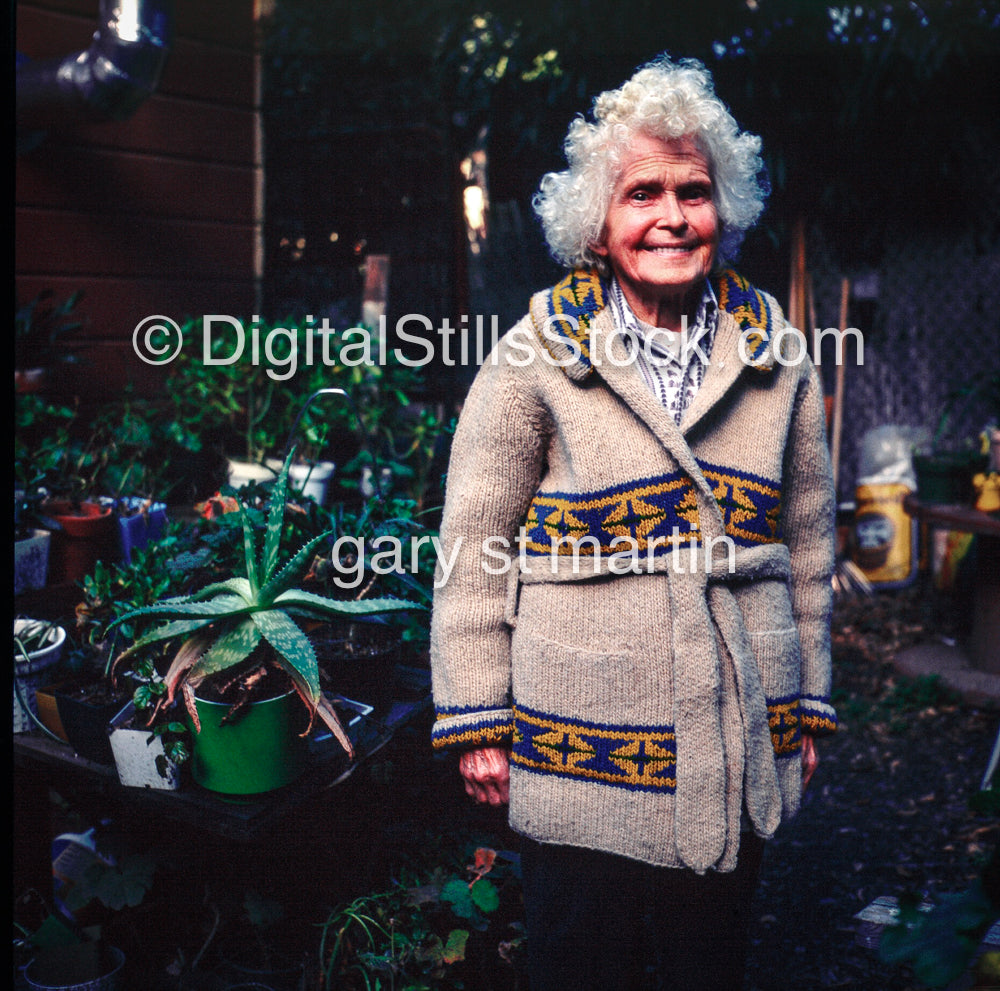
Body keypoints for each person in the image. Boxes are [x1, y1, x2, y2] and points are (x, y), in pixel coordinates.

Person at [430, 55, 837, 990]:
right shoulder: (533, 355)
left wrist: (807, 698)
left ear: (724, 208)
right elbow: (473, 548)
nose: (671, 216)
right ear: (598, 222)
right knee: (580, 961)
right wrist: (476, 713)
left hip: (735, 726)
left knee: (709, 962)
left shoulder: (777, 353)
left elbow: (812, 544)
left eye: (693, 192)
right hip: (579, 734)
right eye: (641, 193)